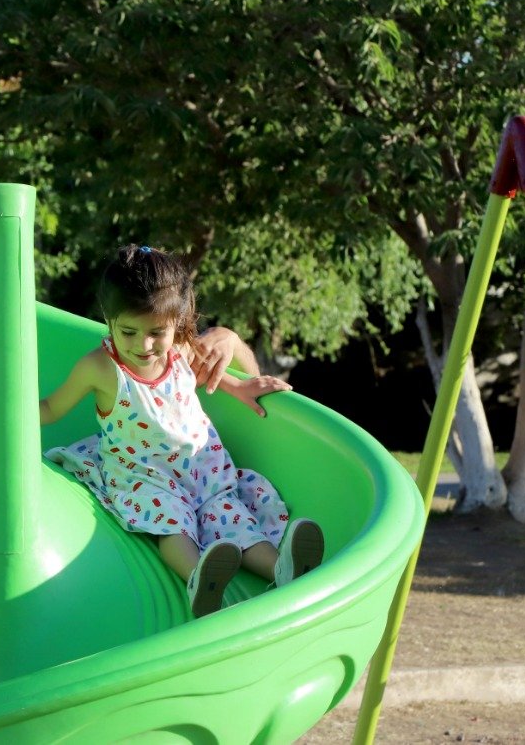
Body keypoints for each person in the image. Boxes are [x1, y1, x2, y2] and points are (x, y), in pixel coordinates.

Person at [39, 244, 323, 618]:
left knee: (232, 517)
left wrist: (240, 387)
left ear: (177, 321)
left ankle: (281, 570)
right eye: (128, 331)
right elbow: (51, 408)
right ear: (108, 319)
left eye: (157, 332)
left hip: (202, 468)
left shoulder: (181, 350)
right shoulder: (101, 368)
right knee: (171, 523)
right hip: (145, 475)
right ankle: (197, 580)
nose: (144, 345)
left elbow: (210, 375)